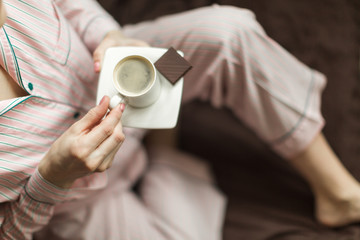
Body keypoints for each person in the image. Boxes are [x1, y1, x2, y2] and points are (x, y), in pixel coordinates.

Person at [0, 1, 358, 240]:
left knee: (226, 34)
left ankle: (338, 193)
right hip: (85, 200)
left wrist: (111, 35)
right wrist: (52, 180)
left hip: (132, 74)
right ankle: (164, 143)